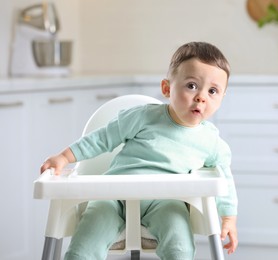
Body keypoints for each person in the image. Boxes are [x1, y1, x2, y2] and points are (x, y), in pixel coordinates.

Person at [40, 41, 238, 260]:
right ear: (167, 88)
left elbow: (224, 176)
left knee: (180, 244)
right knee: (85, 244)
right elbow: (102, 138)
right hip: (113, 196)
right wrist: (64, 157)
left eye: (212, 91)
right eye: (191, 85)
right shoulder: (143, 117)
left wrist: (228, 218)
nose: (201, 96)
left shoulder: (211, 141)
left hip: (166, 200)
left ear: (221, 99)